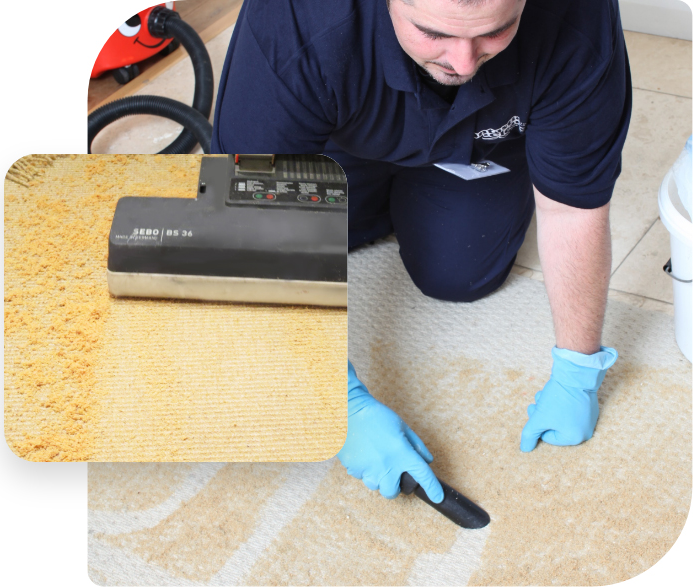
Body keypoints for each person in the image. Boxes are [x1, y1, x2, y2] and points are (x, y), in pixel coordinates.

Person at [212, 0, 630, 504]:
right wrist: (338, 401)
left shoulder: (576, 18)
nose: (464, 62)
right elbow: (249, 225)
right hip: (341, 130)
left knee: (459, 273)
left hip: (483, 140)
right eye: (434, 33)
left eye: (496, 31)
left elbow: (572, 210)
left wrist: (579, 370)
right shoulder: (297, 21)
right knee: (306, 244)